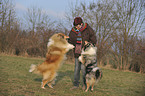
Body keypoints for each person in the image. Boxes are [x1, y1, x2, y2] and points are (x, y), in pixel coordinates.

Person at [68, 17, 97, 90]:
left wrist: (88, 43)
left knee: (84, 69)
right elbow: (70, 41)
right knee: (77, 69)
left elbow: (93, 39)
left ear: (81, 24)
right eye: (75, 26)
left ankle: (85, 85)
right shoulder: (72, 31)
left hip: (85, 53)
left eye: (78, 25)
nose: (77, 27)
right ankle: (76, 85)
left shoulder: (88, 28)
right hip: (77, 52)